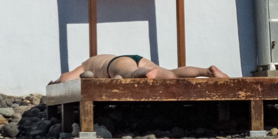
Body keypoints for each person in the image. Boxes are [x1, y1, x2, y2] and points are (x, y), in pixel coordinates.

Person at [54, 54, 229, 83]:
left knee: (130, 73)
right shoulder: (94, 59)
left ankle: (144, 74)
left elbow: (65, 79)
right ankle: (206, 72)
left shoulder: (85, 65)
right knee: (172, 74)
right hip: (139, 58)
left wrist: (56, 82)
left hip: (115, 64)